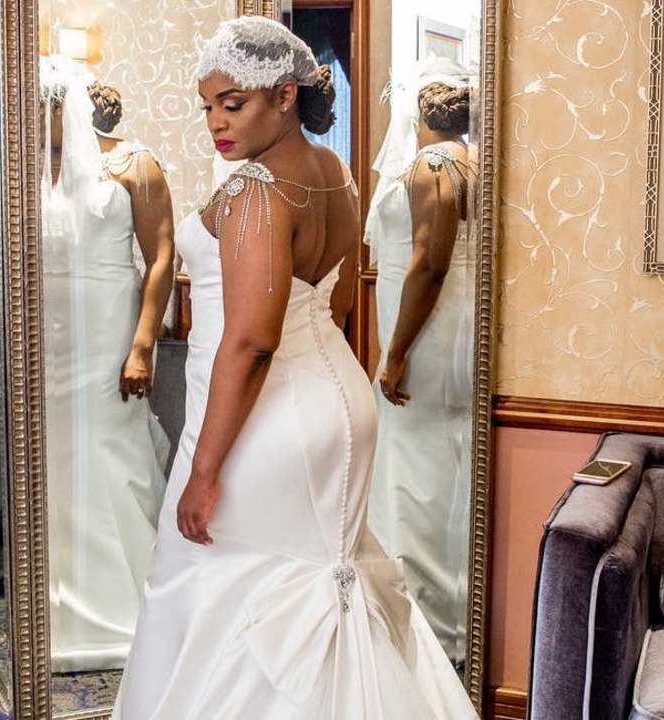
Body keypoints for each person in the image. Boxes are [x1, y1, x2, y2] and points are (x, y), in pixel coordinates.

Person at [112, 17, 478, 719]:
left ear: (284, 96)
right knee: (305, 581)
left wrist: (205, 469)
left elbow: (251, 343)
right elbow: (335, 298)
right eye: (208, 105)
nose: (216, 122)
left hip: (267, 417)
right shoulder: (331, 171)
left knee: (221, 584)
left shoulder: (254, 187)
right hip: (336, 394)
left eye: (234, 103)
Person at [39, 55, 175, 673]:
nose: (39, 119)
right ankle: (57, 600)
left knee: (111, 447)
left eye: (47, 106)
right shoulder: (34, 169)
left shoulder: (135, 165)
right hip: (52, 332)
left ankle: (128, 602)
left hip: (109, 324)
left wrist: (142, 344)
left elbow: (161, 258)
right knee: (55, 458)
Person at [364, 62, 477, 665]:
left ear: (418, 114)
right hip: (453, 325)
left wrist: (396, 352)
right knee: (441, 459)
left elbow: (429, 265)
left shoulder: (434, 166)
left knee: (413, 458)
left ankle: (424, 617)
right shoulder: (474, 162)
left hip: (427, 334)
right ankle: (451, 607)